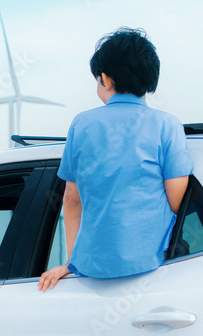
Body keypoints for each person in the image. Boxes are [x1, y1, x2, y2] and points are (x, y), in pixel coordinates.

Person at [39, 28, 194, 291]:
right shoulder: (167, 125)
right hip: (155, 267)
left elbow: (71, 201)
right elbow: (178, 202)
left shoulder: (82, 125)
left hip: (91, 271)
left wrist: (71, 263)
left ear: (105, 78)